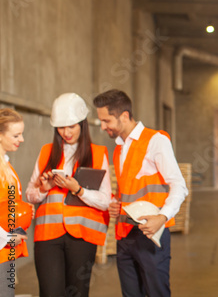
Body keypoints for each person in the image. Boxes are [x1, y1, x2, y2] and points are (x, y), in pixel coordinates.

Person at [93, 89, 188, 297]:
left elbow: (179, 185)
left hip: (150, 234)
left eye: (106, 120)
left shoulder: (156, 141)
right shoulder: (119, 149)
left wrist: (162, 217)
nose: (103, 126)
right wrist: (117, 203)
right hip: (124, 235)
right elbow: (129, 190)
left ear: (124, 116)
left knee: (156, 293)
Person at [26, 93, 111, 297]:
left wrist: (78, 190)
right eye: (61, 127)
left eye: (71, 126)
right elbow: (30, 195)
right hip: (48, 237)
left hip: (82, 238)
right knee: (50, 293)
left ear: (82, 124)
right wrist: (44, 188)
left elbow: (105, 201)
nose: (66, 132)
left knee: (77, 293)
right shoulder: (47, 152)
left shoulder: (98, 154)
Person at [0, 108, 31, 297]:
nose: (22, 139)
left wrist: (25, 211)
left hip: (6, 251)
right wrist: (7, 238)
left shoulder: (6, 165)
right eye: (16, 135)